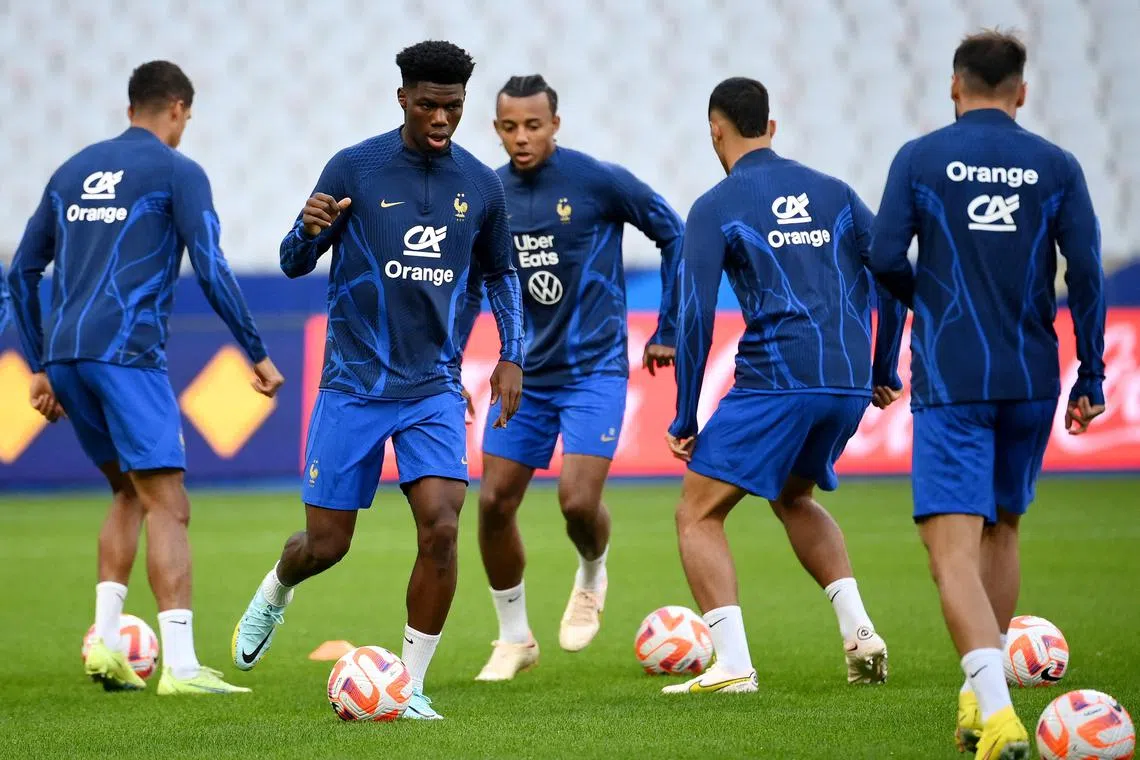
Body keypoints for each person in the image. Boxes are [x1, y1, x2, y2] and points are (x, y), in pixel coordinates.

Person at [230, 41, 525, 720]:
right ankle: (278, 587)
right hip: (351, 387)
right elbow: (295, 260)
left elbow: (501, 274)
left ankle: (411, 684)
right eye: (428, 104)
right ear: (402, 99)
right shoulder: (355, 168)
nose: (441, 118)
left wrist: (513, 353)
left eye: (453, 106)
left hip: (432, 390)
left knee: (442, 529)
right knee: (326, 546)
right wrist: (305, 234)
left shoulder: (480, 186)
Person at [7, 60, 282, 695]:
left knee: (127, 494)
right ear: (180, 109)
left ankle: (104, 642)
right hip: (127, 356)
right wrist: (257, 353)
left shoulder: (72, 170)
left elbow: (21, 270)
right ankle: (182, 668)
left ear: (132, 106)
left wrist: (43, 361)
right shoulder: (178, 172)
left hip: (69, 358)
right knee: (169, 503)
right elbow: (211, 267)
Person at [869, 30, 1105, 760]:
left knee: (950, 553)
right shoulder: (1055, 165)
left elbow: (882, 258)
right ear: (1022, 92)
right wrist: (1091, 375)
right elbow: (1089, 272)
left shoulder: (920, 157)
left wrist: (927, 299)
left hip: (953, 374)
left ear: (954, 85)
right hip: (1032, 376)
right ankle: (979, 696)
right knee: (1003, 529)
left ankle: (1000, 718)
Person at [662, 77, 906, 695]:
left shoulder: (719, 204)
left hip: (778, 379)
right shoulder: (836, 192)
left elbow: (693, 316)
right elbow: (894, 274)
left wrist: (685, 413)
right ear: (772, 127)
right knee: (793, 496)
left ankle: (734, 666)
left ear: (715, 129)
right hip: (846, 383)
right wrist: (881, 368)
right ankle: (860, 631)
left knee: (696, 513)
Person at [457, 74, 684, 681]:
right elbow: (463, 290)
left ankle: (592, 571)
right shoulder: (488, 195)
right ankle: (514, 639)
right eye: (510, 127)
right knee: (494, 503)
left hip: (593, 370)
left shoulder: (596, 181)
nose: (522, 137)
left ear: (556, 124)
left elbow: (673, 231)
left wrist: (668, 325)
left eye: (534, 125)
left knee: (577, 502)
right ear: (496, 128)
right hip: (524, 377)